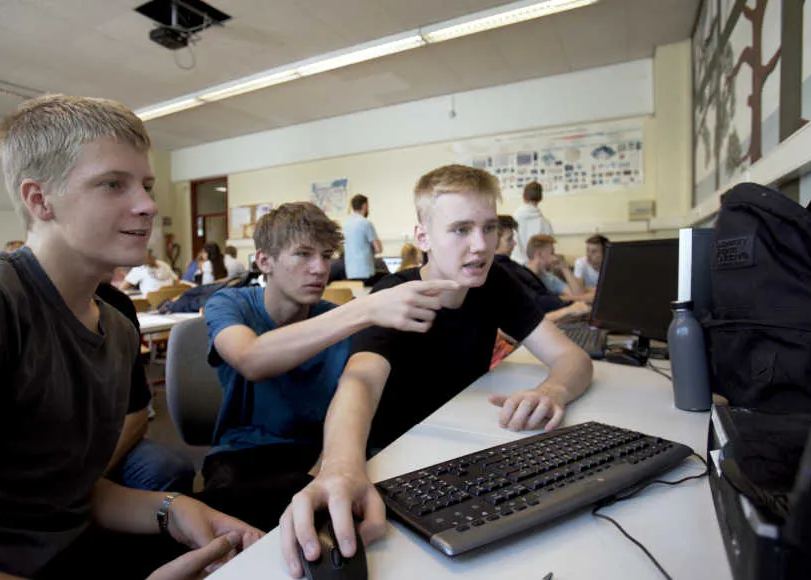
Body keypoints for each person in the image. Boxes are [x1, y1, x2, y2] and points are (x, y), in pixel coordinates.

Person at [0, 94, 261, 580]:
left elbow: (58, 494)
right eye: (113, 184)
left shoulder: (115, 329)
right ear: (39, 199)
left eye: (147, 185)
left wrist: (171, 509)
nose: (149, 205)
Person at [280, 164, 594, 578]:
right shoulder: (395, 294)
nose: (480, 246)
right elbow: (361, 382)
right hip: (393, 458)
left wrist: (553, 389)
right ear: (423, 237)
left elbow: (573, 358)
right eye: (460, 229)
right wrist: (340, 464)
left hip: (460, 447)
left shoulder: (494, 282)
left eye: (489, 228)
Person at [202, 202, 458, 532]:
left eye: (326, 255)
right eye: (304, 254)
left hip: (318, 453)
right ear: (264, 261)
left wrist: (323, 470)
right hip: (244, 454)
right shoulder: (230, 303)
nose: (320, 268)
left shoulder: (338, 316)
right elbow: (251, 358)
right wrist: (365, 309)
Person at [96, 282, 196, 494]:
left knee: (170, 471)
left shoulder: (117, 303)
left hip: (103, 441)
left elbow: (135, 414)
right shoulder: (16, 300)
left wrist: (89, 478)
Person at [494, 216, 589, 324]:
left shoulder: (512, 266)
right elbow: (534, 302)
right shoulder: (501, 271)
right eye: (509, 239)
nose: (514, 244)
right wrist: (569, 308)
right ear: (493, 241)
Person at [524, 234, 592, 302]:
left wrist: (564, 267)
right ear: (539, 255)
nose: (555, 257)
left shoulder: (549, 278)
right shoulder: (520, 276)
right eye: (552, 253)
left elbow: (579, 295)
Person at [511, 181, 554, 265]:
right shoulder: (545, 223)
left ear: (523, 197)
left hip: (516, 268)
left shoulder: (513, 220)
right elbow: (550, 250)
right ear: (540, 198)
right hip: (538, 268)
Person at [342, 194, 381, 283]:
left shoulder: (346, 225)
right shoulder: (366, 223)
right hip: (366, 271)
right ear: (364, 206)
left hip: (350, 272)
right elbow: (378, 249)